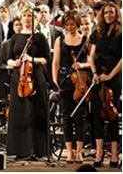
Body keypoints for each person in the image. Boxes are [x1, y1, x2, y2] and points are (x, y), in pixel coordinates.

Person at [6, 5, 51, 159]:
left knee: (36, 112)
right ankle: (20, 150)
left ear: (36, 19)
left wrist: (32, 59)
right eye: (25, 16)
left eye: (30, 16)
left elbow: (47, 59)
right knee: (20, 113)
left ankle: (38, 150)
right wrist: (14, 63)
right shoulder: (15, 37)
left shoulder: (39, 37)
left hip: (35, 76)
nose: (27, 19)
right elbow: (7, 59)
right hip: (19, 78)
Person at [52, 11, 90, 164]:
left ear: (77, 24)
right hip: (65, 81)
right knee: (67, 117)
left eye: (72, 24)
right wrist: (56, 82)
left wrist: (82, 65)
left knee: (80, 116)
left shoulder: (85, 40)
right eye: (67, 25)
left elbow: (91, 62)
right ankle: (69, 152)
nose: (69, 27)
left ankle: (79, 151)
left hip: (81, 81)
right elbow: (56, 63)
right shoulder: (59, 40)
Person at [89, 2, 121, 168]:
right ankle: (100, 152)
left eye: (112, 12)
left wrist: (110, 75)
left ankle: (114, 154)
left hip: (114, 77)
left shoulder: (121, 33)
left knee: (113, 115)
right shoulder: (97, 32)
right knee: (97, 115)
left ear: (117, 14)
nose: (109, 15)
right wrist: (94, 73)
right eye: (106, 12)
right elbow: (91, 56)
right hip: (98, 77)